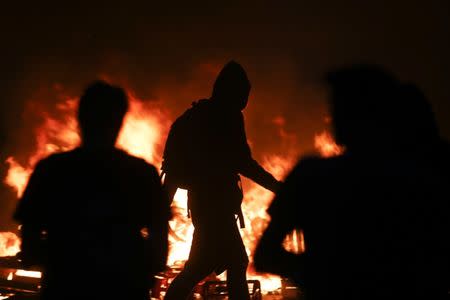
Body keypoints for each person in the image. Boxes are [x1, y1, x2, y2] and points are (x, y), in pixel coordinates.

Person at [254, 65, 449, 299]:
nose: (333, 115)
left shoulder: (311, 176)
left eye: (343, 106)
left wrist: (318, 272)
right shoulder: (418, 179)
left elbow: (266, 255)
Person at [14, 81, 170, 300]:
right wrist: (134, 267)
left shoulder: (52, 170)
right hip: (124, 289)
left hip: (65, 288)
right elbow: (159, 245)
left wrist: (62, 257)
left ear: (80, 119)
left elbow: (30, 243)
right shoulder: (141, 173)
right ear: (119, 121)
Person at [163, 61, 280, 300]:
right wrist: (277, 187)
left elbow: (173, 170)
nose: (245, 101)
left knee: (201, 266)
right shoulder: (223, 118)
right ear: (232, 92)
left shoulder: (201, 117)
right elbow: (243, 162)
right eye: (242, 94)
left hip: (209, 207)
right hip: (212, 207)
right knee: (236, 261)